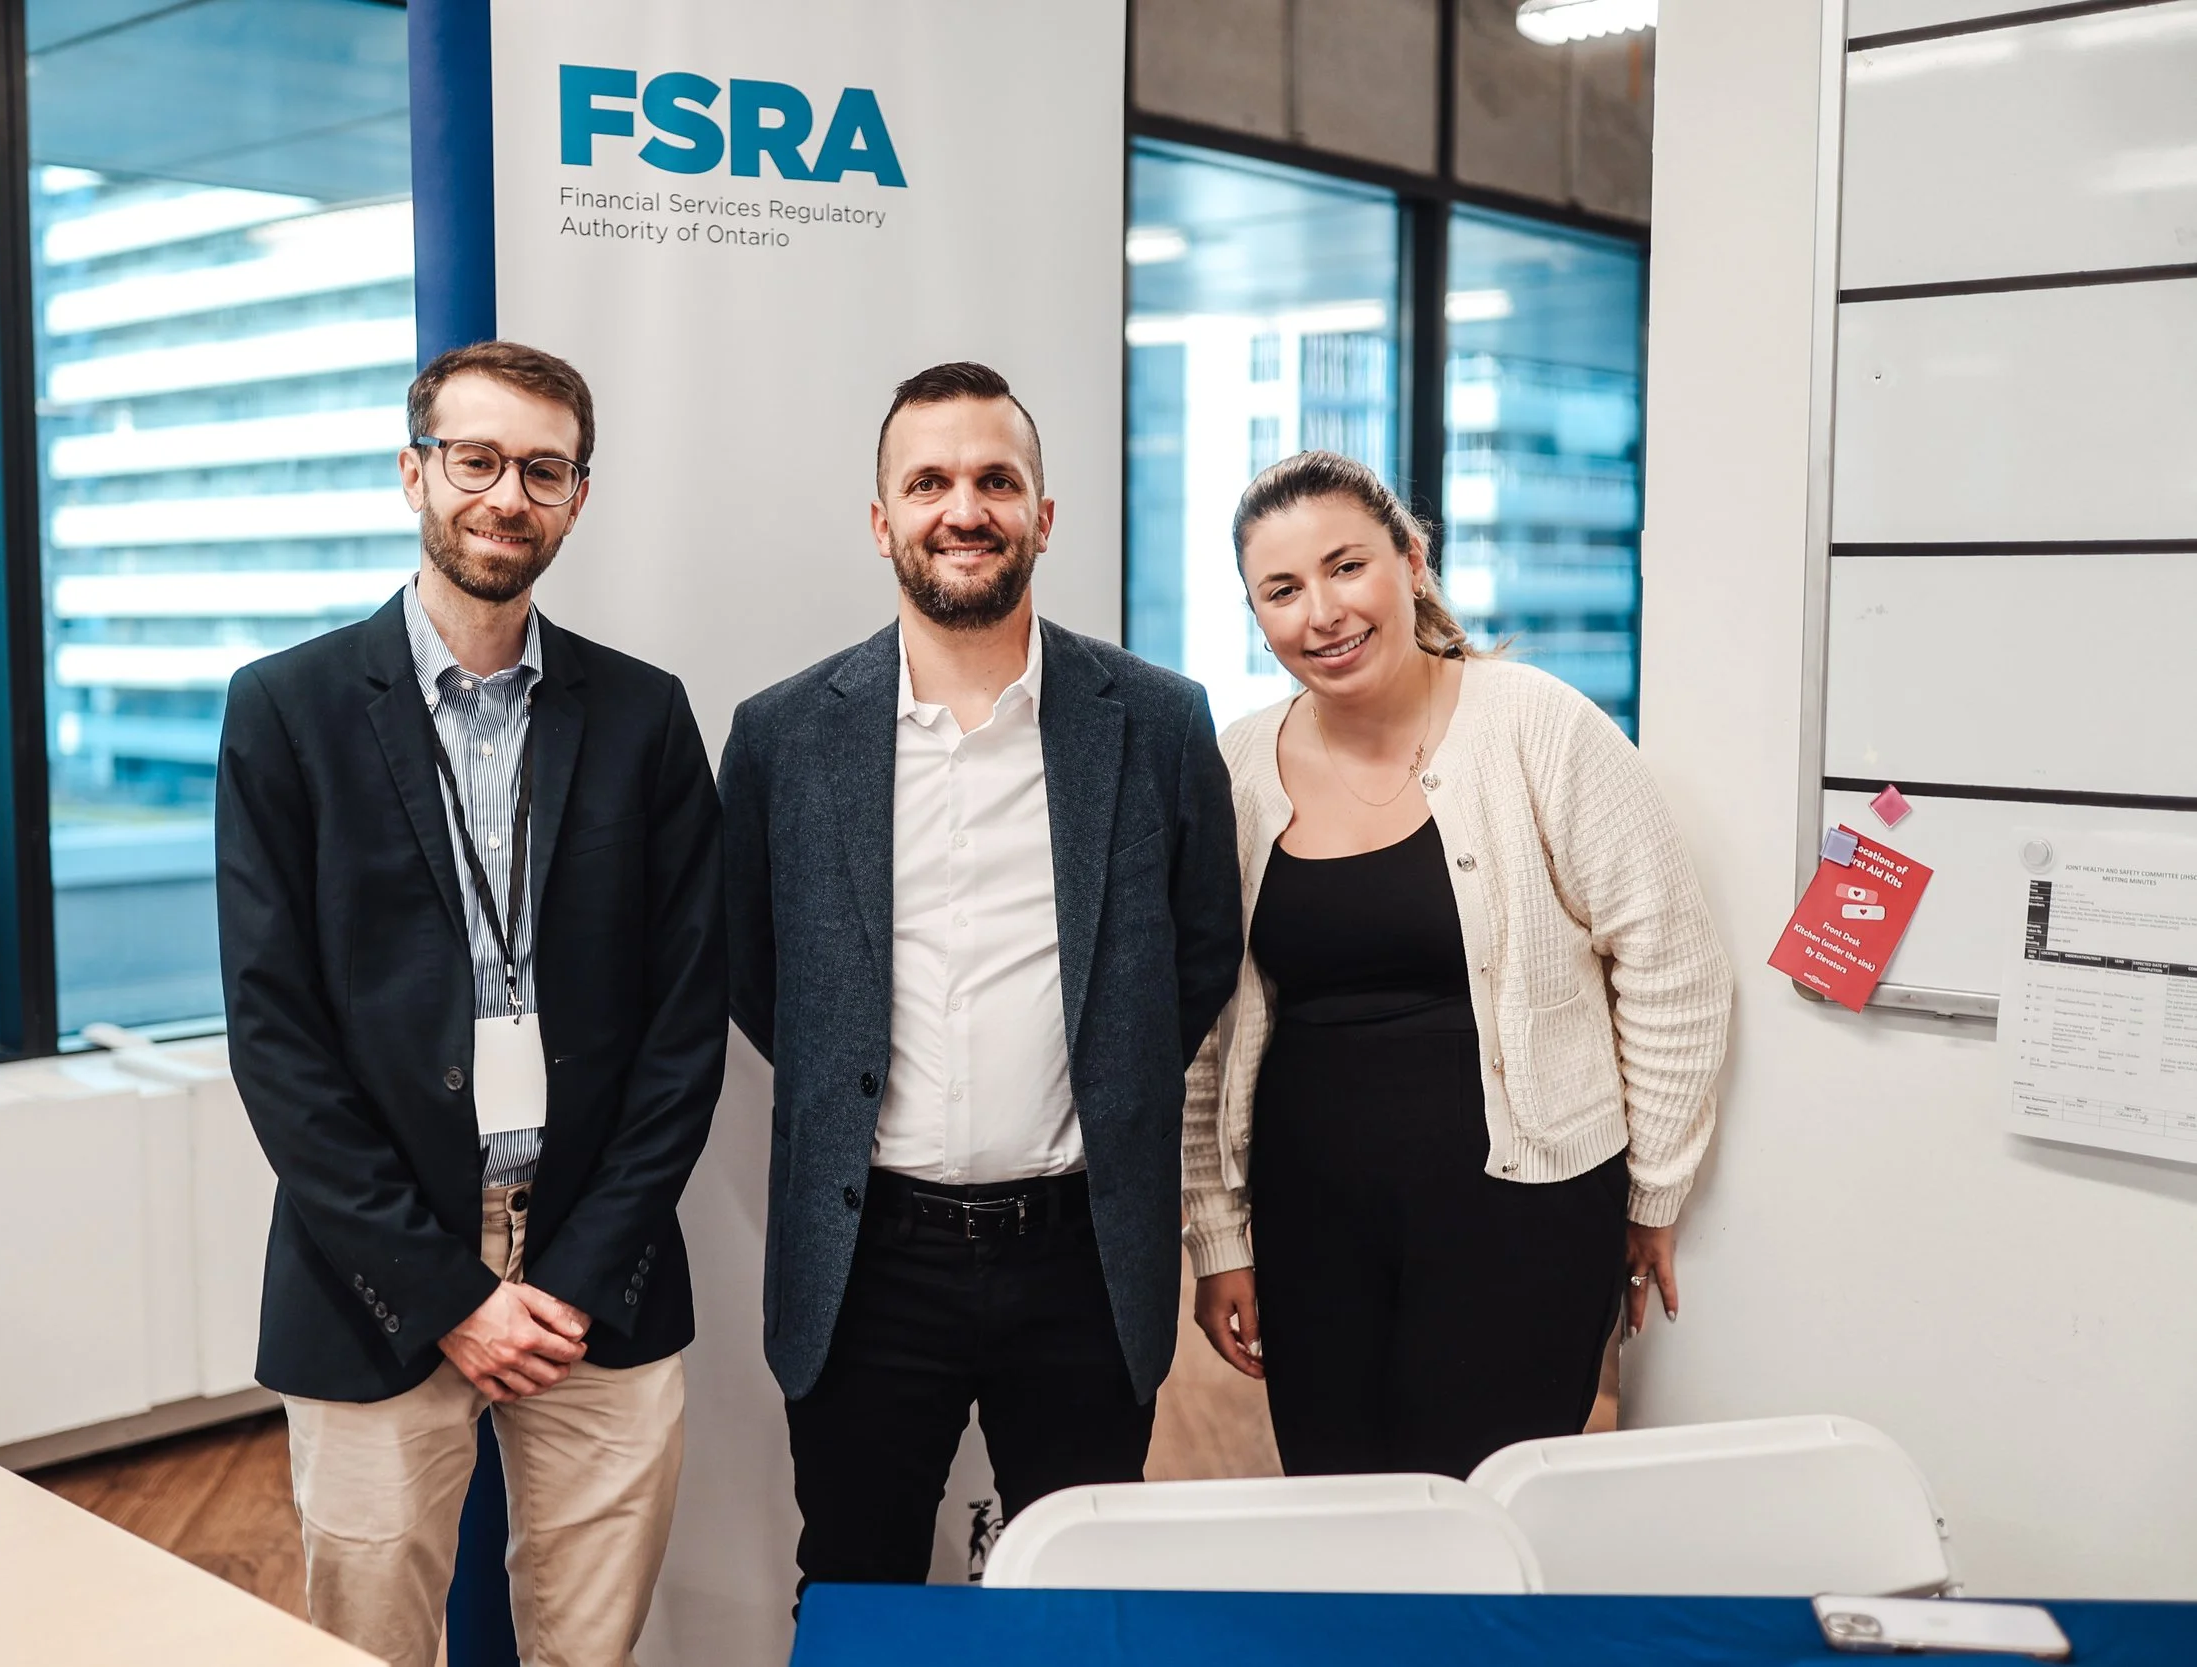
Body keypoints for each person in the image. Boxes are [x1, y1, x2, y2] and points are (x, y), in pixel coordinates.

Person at [215, 341, 725, 1667]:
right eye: (477, 459)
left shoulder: (647, 717)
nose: (507, 494)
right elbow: (277, 1037)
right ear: (414, 471)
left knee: (588, 1646)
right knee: (373, 1643)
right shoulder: (287, 711)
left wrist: (562, 1272)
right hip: (373, 1275)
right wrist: (446, 1289)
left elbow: (684, 1026)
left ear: (577, 496)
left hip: (593, 1281)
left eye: (542, 469)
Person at [720, 361, 1243, 1591]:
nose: (965, 508)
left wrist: (1106, 1080)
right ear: (882, 519)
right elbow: (757, 974)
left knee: (1076, 1593)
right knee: (855, 1581)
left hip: (1079, 1251)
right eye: (930, 482)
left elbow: (1200, 950)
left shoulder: (1156, 722)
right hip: (867, 1259)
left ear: (1043, 516)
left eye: (996, 480)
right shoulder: (782, 736)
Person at [1183, 450, 1731, 1480]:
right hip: (1312, 1229)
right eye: (1282, 589)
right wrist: (1218, 1236)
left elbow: (1671, 962)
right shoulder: (1234, 766)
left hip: (1521, 1218)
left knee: (1487, 1509)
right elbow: (1204, 1030)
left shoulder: (1537, 725)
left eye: (1347, 567)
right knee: (1341, 1510)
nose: (1322, 612)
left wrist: (1652, 1191)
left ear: (1412, 561)